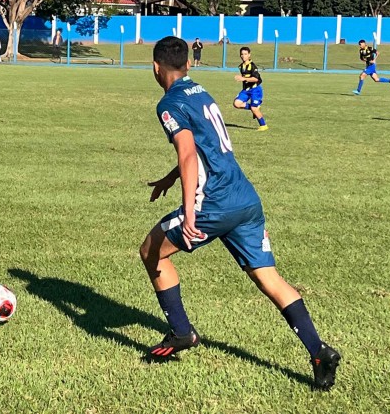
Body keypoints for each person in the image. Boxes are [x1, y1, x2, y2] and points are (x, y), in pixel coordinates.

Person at [140, 36, 341, 391]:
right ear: (187, 64)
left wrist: (189, 214)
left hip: (213, 203)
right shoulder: (200, 91)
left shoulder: (168, 103)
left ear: (156, 68)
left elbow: (188, 154)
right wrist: (170, 178)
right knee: (269, 278)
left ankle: (182, 332)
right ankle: (318, 350)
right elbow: (208, 147)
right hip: (245, 199)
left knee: (150, 250)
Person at [233, 46, 268, 131]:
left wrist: (243, 78)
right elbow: (245, 76)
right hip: (246, 90)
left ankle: (263, 125)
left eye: (245, 54)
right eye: (242, 54)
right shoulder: (241, 66)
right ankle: (255, 107)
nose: (243, 56)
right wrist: (241, 77)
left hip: (255, 90)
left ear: (249, 55)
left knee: (254, 108)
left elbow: (256, 79)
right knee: (236, 104)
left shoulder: (252, 66)